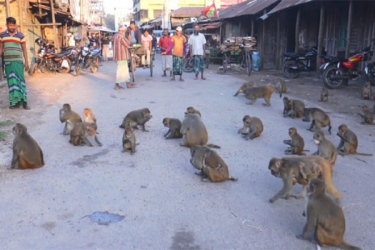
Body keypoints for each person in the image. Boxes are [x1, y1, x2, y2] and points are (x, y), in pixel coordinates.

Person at [0, 17, 30, 110]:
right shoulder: (2, 35)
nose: (12, 27)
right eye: (10, 25)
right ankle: (14, 103)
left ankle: (24, 102)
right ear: (7, 25)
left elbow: (24, 49)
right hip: (8, 62)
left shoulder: (20, 35)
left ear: (15, 25)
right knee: (11, 82)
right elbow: (1, 49)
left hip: (18, 61)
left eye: (13, 25)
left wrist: (26, 62)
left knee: (21, 81)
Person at [112, 25, 135, 90]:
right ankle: (117, 85)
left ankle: (128, 83)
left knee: (125, 70)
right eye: (124, 31)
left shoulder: (115, 36)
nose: (124, 32)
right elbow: (127, 44)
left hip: (118, 56)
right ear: (122, 31)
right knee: (121, 70)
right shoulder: (121, 37)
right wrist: (129, 39)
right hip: (122, 56)